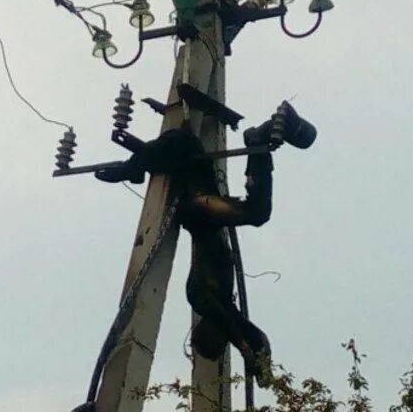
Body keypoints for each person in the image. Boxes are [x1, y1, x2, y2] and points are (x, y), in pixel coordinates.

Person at [96, 101, 317, 387]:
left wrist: (244, 350)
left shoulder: (199, 297)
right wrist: (264, 368)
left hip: (198, 212)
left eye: (216, 339)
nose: (223, 336)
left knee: (187, 147)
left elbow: (235, 329)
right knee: (256, 210)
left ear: (203, 330)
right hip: (205, 206)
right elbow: (258, 337)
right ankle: (258, 142)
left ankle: (135, 168)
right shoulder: (227, 310)